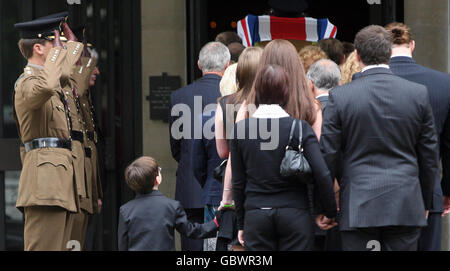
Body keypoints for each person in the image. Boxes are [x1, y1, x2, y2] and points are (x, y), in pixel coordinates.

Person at [321, 25, 439, 251]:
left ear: (357, 55)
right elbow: (429, 156)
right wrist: (423, 201)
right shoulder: (417, 93)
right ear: (389, 53)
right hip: (405, 203)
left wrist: (327, 206)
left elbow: (329, 154)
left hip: (358, 205)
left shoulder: (341, 96)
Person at [230, 64, 337, 251]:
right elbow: (322, 173)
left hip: (257, 213)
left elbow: (238, 181)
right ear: (286, 92)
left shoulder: (241, 130)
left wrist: (241, 223)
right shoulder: (300, 128)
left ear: (257, 92)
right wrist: (328, 210)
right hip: (295, 214)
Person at [13, 15, 83, 250]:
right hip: (45, 184)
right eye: (54, 43)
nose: (59, 49)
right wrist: (58, 53)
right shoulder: (27, 82)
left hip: (58, 182)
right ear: (38, 48)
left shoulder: (51, 81)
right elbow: (47, 85)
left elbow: (65, 76)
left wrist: (71, 46)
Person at [386, 22, 450, 251]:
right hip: (428, 193)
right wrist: (446, 191)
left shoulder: (368, 83)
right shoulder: (444, 84)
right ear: (412, 45)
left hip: (380, 194)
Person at [169, 41, 230, 251]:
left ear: (198, 64)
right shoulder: (233, 98)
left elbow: (176, 148)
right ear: (228, 65)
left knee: (192, 248)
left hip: (190, 187)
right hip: (224, 187)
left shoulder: (179, 96)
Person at [118, 157, 219, 251]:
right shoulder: (171, 206)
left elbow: (123, 245)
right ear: (157, 179)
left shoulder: (125, 210)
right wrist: (215, 223)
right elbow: (191, 231)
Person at [215, 47, 263, 210]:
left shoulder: (225, 103)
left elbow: (222, 151)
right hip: (269, 180)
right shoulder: (276, 101)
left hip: (238, 178)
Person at [246, 39, 322, 138]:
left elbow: (238, 146)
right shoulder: (311, 107)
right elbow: (315, 146)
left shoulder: (247, 106)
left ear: (262, 65)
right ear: (296, 66)